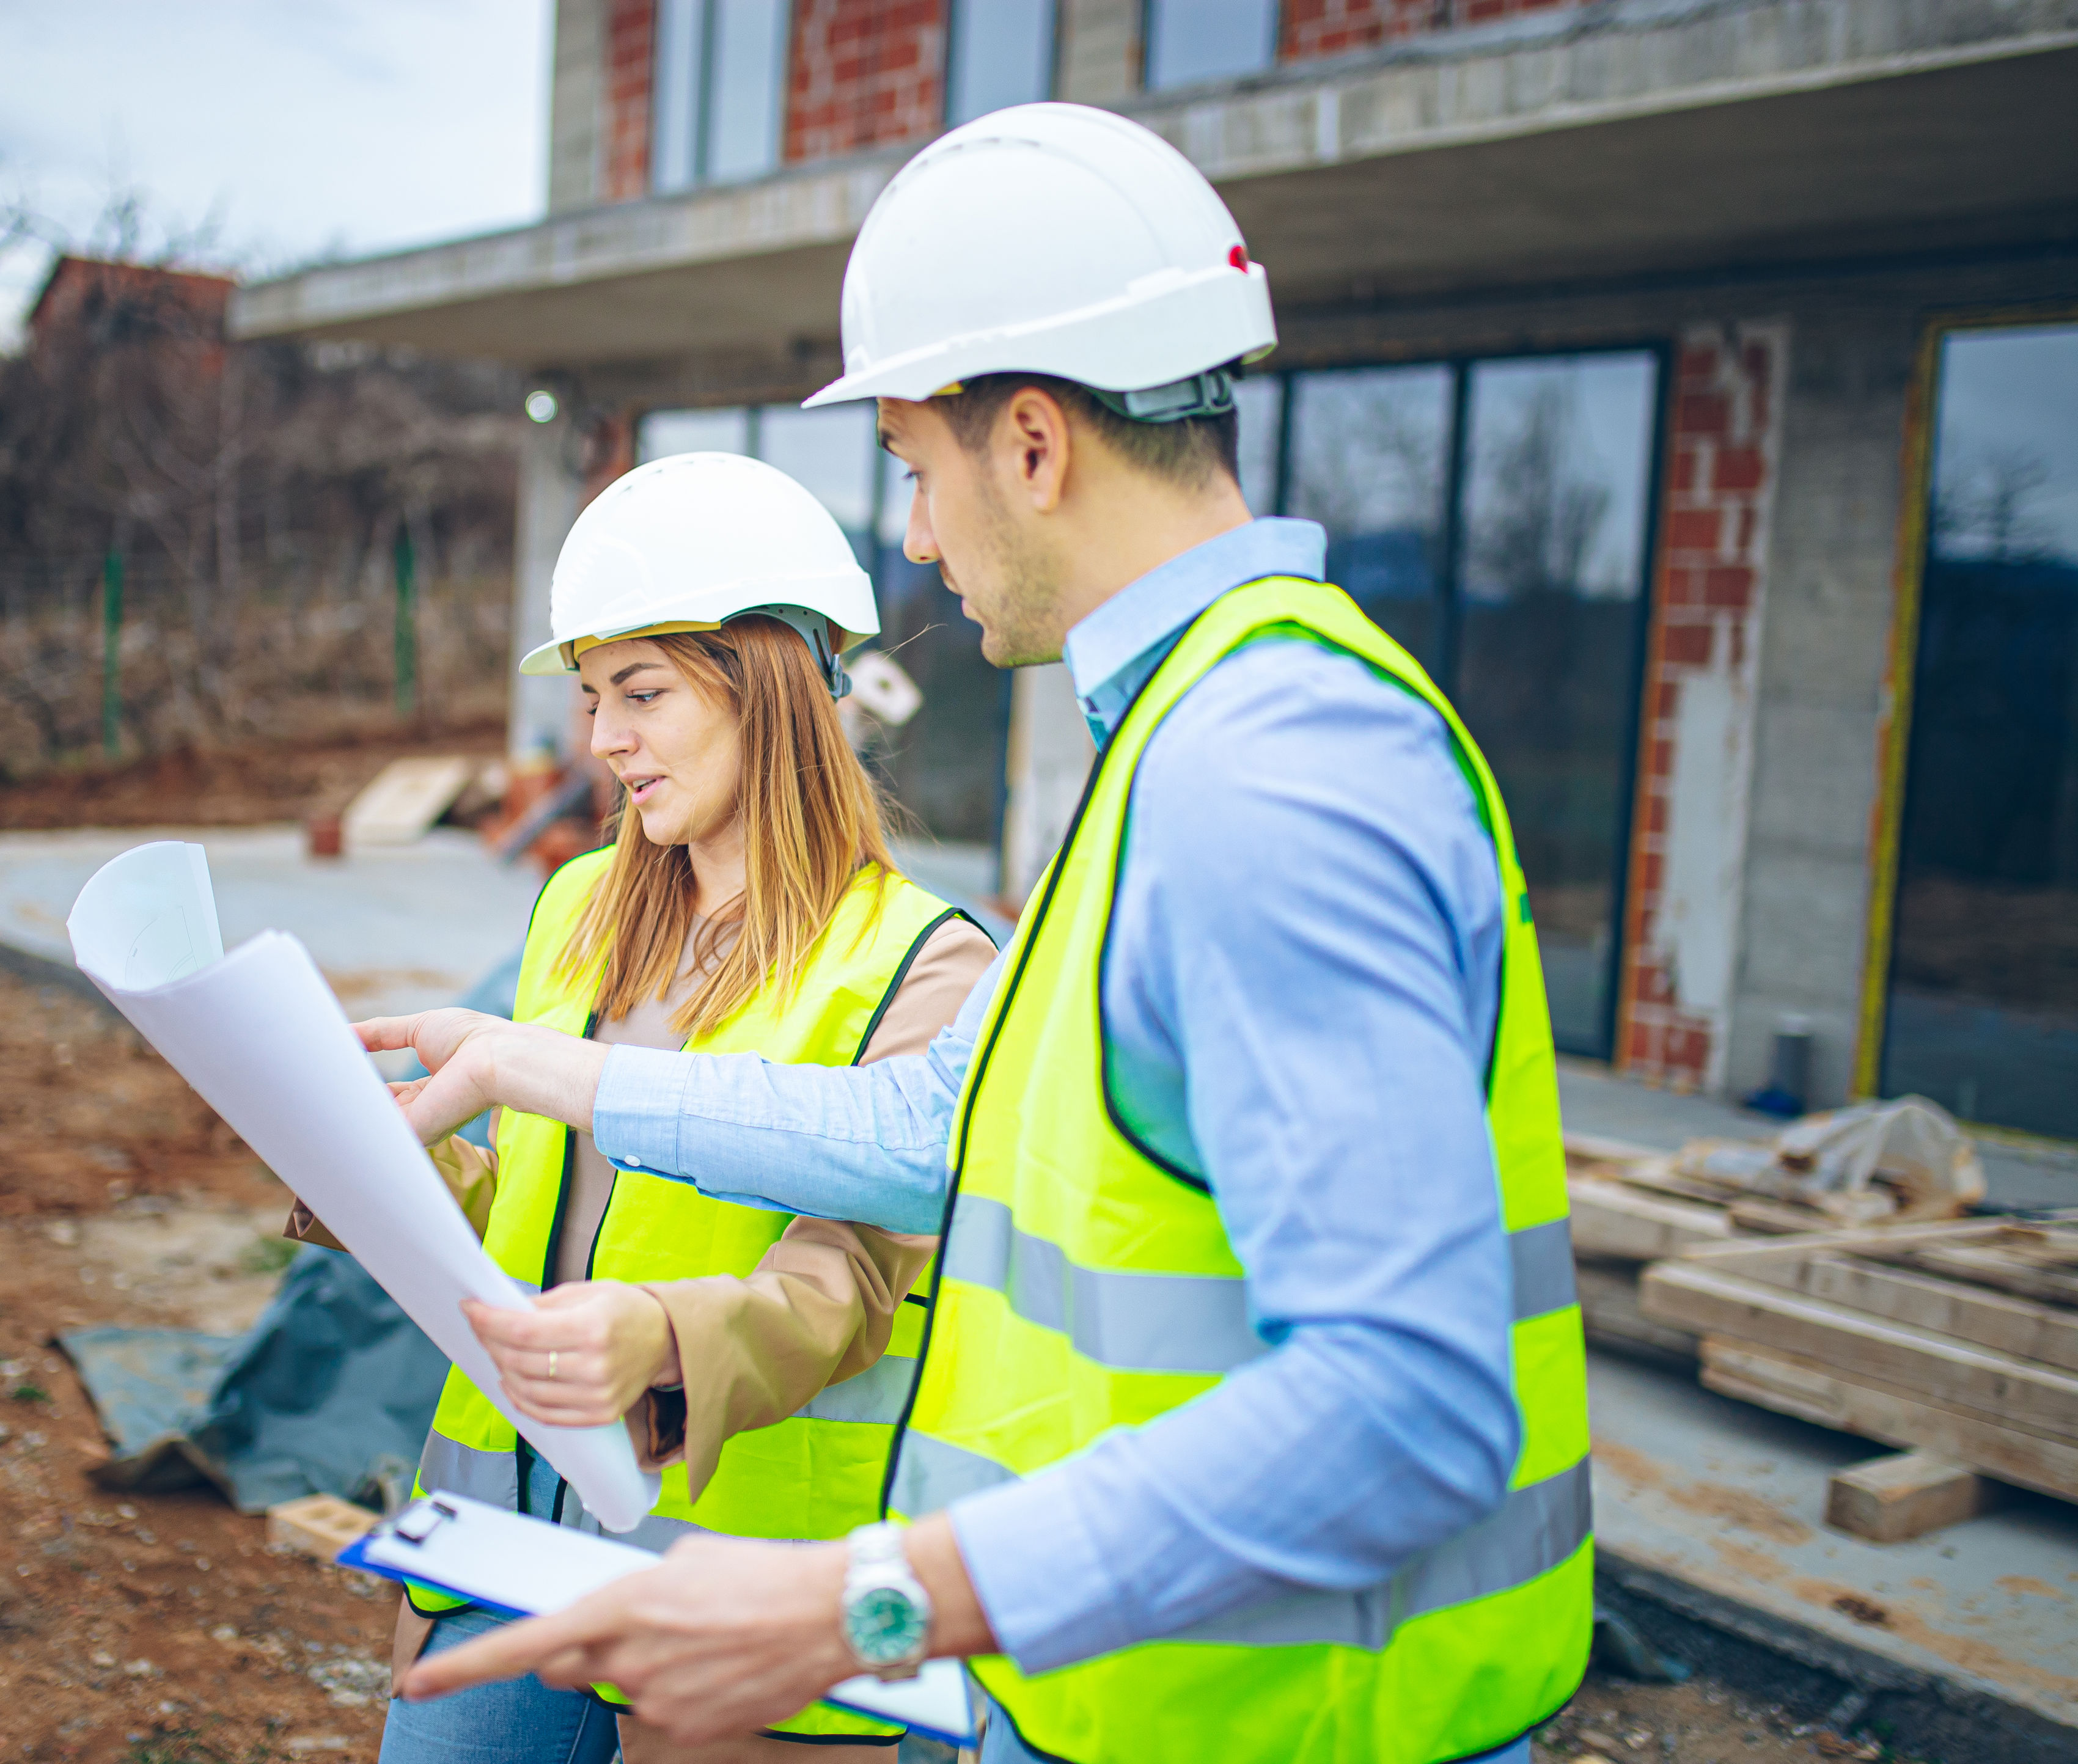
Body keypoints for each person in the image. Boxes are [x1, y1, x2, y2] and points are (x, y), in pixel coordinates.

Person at [363, 104, 1590, 1764]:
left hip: (1289, 1721)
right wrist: (535, 1065)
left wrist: (856, 1603)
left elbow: (1415, 1406)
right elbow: (926, 1134)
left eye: (915, 472)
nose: (920, 539)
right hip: (1145, 1696)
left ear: (1030, 444)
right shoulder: (1183, 736)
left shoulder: (1270, 772)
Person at [340, 452, 994, 1764]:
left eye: (642, 692)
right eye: (593, 697)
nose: (601, 741)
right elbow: (537, 1207)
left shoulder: (925, 962)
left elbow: (854, 1278)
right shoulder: (579, 900)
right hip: (496, 1534)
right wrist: (362, 1151)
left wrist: (662, 1336)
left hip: (729, 1575)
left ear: (781, 689)